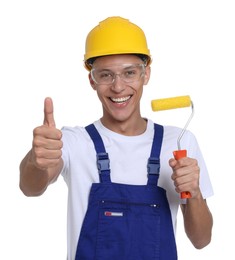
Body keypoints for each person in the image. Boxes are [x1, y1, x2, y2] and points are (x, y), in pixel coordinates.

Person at [19, 16, 213, 260]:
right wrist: (36, 162)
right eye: (106, 75)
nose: (118, 87)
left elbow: (202, 240)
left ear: (146, 74)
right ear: (92, 80)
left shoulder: (179, 143)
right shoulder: (74, 142)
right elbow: (30, 188)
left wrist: (193, 193)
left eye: (129, 73)